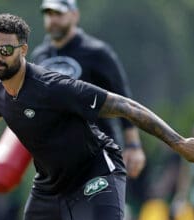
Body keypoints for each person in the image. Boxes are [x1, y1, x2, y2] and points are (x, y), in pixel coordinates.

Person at [0, 13, 194, 220]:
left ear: (22, 50)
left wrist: (179, 142)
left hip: (95, 174)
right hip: (49, 188)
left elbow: (124, 105)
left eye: (6, 50)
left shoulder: (53, 86)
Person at [31, 0, 145, 179]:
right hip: (56, 160)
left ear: (75, 15)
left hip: (98, 154)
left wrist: (133, 146)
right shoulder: (39, 56)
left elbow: (124, 99)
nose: (53, 20)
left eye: (58, 14)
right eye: (48, 15)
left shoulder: (97, 52)